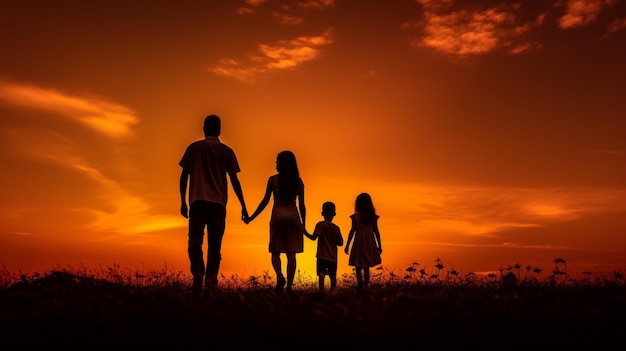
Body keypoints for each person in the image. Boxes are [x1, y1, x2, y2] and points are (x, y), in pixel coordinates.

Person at [179, 114, 248, 295]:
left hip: (197, 201)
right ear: (219, 130)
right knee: (215, 245)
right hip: (218, 204)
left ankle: (198, 272)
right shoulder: (227, 151)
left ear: (204, 128)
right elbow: (235, 181)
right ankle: (210, 280)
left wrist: (182, 202)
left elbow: (183, 176)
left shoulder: (194, 148)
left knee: (194, 239)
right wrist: (243, 205)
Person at [244, 150, 306, 293]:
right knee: (291, 254)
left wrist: (251, 218)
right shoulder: (298, 181)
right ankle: (289, 287)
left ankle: (279, 276)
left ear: (282, 163)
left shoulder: (273, 180)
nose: (275, 164)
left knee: (275, 251)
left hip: (277, 215)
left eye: (277, 161)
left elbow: (265, 202)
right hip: (293, 216)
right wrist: (304, 224)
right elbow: (302, 206)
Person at [344, 192, 382, 292]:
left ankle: (360, 283)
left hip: (359, 242)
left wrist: (347, 244)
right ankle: (365, 286)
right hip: (369, 243)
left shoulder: (356, 217)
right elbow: (377, 233)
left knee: (358, 265)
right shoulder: (372, 217)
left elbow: (352, 231)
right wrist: (379, 245)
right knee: (366, 267)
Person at [304, 201, 343, 291]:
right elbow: (340, 243)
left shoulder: (320, 225)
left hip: (321, 256)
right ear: (334, 214)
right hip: (333, 257)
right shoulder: (336, 228)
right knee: (332, 275)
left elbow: (313, 238)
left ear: (322, 213)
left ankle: (321, 291)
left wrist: (304, 232)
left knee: (321, 274)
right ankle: (333, 291)